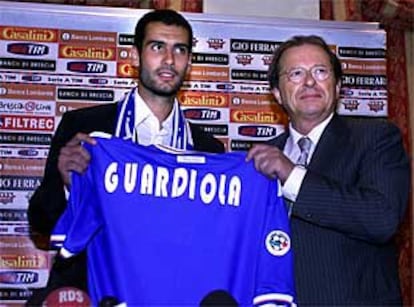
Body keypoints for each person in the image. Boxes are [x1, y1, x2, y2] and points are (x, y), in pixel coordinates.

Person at [26, 9, 224, 305]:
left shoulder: (208, 149)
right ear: (135, 56)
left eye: (179, 50)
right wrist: (68, 187)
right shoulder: (84, 129)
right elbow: (42, 223)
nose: (169, 60)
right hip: (93, 294)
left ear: (190, 63)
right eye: (157, 47)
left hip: (172, 295)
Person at [246, 35, 410, 305]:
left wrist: (292, 176)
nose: (309, 82)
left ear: (337, 86)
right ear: (276, 92)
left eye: (320, 71)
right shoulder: (258, 161)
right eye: (296, 73)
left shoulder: (376, 138)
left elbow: (382, 218)